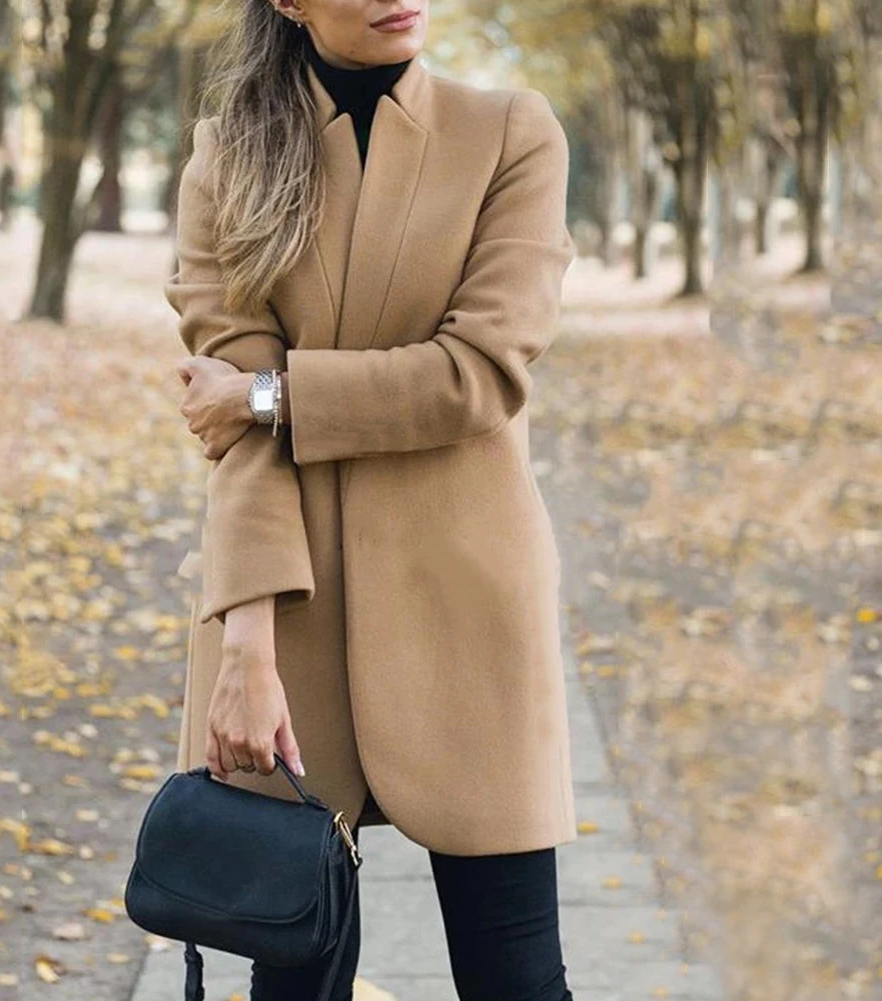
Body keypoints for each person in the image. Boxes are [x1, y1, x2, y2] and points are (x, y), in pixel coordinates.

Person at [167, 1, 579, 998]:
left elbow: (477, 375)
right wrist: (246, 647)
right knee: (292, 977)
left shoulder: (510, 133)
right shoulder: (228, 156)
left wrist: (271, 395)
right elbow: (231, 435)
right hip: (288, 612)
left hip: (468, 605)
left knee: (517, 980)